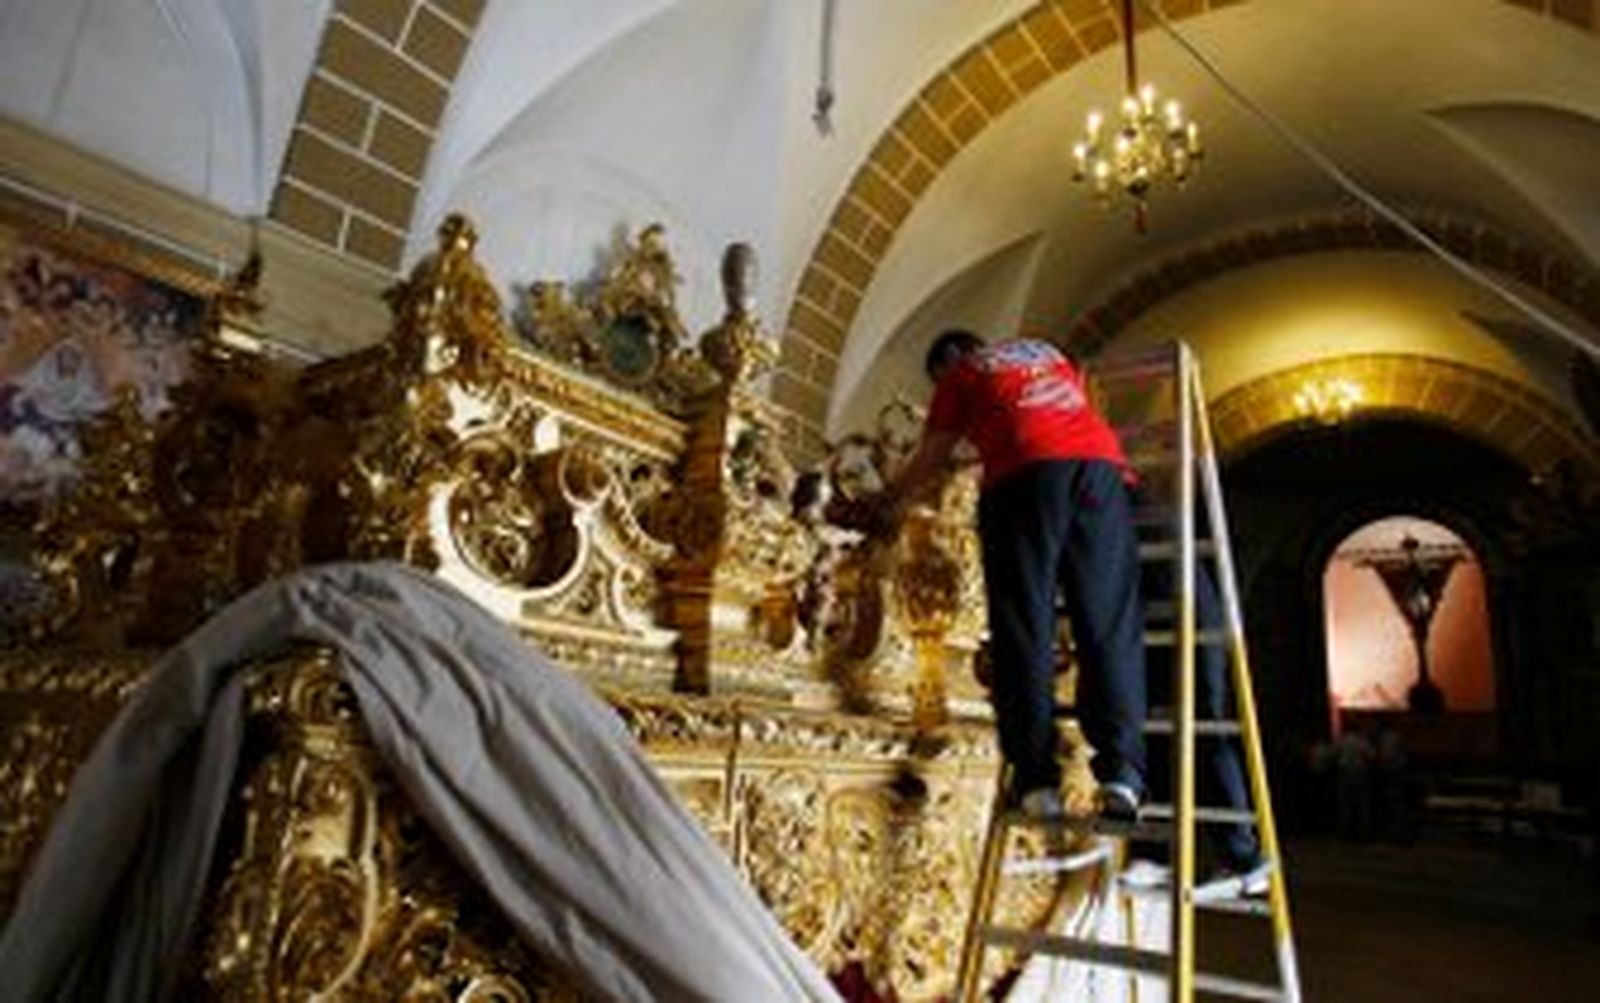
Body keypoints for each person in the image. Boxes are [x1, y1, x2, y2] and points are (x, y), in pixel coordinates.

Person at [880, 330, 1146, 823]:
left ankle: (1036, 780)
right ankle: (1124, 774)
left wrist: (884, 503)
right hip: (1102, 470)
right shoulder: (1046, 353)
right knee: (1108, 620)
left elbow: (932, 459)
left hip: (1025, 477)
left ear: (946, 363)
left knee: (1023, 621)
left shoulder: (959, 374)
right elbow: (1037, 420)